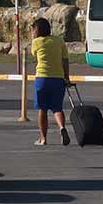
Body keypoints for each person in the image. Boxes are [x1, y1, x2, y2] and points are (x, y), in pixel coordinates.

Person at [31, 16, 70, 146]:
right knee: (57, 108)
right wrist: (67, 77)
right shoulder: (59, 41)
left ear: (38, 30)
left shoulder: (37, 42)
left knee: (42, 109)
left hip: (42, 78)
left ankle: (43, 138)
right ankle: (62, 128)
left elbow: (35, 57)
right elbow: (65, 60)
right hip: (58, 78)